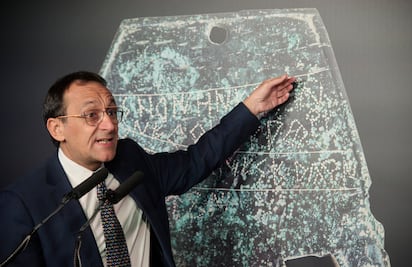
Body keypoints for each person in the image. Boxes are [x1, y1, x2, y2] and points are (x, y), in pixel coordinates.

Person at [0, 71, 295, 267]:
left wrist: (253, 107)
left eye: (112, 112)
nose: (110, 124)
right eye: (92, 115)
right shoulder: (24, 204)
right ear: (57, 128)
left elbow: (197, 160)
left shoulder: (130, 159)